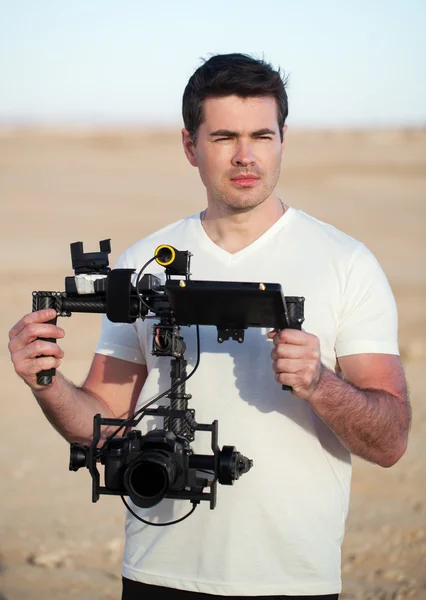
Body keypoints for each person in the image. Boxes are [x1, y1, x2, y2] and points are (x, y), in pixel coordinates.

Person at [8, 54, 410, 600]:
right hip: (158, 571)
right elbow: (103, 424)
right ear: (189, 145)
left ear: (283, 139)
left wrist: (319, 383)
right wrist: (45, 382)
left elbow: (390, 442)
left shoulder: (346, 262)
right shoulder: (145, 261)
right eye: (223, 136)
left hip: (292, 579)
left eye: (261, 135)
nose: (245, 156)